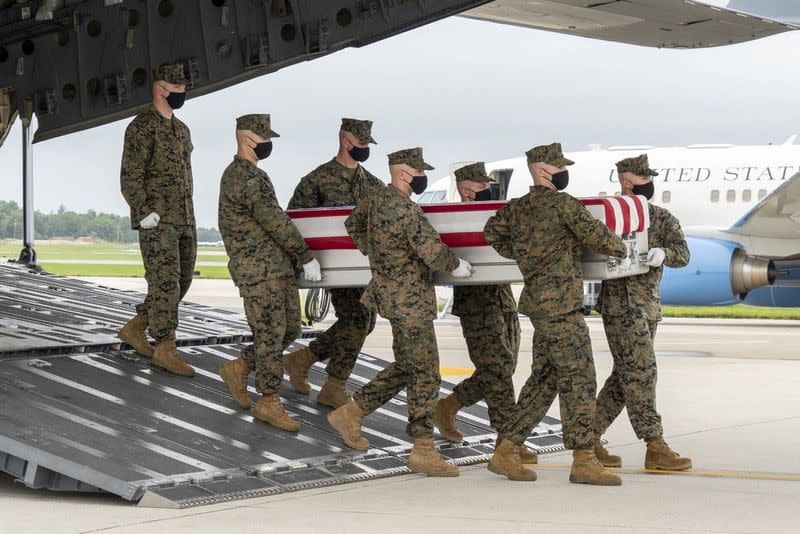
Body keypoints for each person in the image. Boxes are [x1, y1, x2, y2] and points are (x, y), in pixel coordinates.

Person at [485, 142, 628, 485]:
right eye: (560, 166)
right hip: (562, 308)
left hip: (538, 304)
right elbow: (610, 243)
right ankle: (583, 459)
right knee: (580, 379)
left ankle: (506, 450)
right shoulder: (565, 207)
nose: (565, 172)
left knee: (545, 380)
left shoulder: (516, 209)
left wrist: (524, 254)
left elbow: (492, 233)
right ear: (544, 170)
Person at [328, 147, 474, 477]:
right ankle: (423, 448)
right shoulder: (405, 210)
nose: (422, 177)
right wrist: (457, 266)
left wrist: (380, 257)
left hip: (389, 294)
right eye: (419, 172)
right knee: (425, 372)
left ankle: (352, 412)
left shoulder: (375, 200)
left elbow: (353, 225)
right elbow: (433, 253)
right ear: (403, 174)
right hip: (410, 300)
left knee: (410, 365)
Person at [216, 114, 322, 432]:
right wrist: (306, 256)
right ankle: (269, 402)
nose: (269, 145)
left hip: (275, 269)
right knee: (270, 335)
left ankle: (240, 366)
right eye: (265, 139)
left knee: (289, 329)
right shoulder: (244, 177)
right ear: (248, 140)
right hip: (259, 271)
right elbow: (276, 221)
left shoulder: (253, 175)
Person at [433, 162, 538, 463]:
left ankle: (449, 405)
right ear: (465, 189)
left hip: (502, 295)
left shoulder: (493, 212)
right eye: (478, 187)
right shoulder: (455, 220)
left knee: (505, 366)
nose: (484, 192)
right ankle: (507, 441)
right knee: (497, 368)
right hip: (477, 302)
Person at [593, 154, 692, 471]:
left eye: (650, 179)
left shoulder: (661, 217)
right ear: (625, 179)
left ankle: (588, 437)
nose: (648, 184)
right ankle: (654, 445)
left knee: (625, 378)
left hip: (647, 307)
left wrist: (664, 253)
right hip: (619, 307)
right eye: (641, 179)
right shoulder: (610, 216)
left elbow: (683, 253)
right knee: (642, 373)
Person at [284, 118, 383, 409]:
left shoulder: (373, 184)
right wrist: (306, 262)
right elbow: (295, 222)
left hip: (363, 268)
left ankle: (302, 360)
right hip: (333, 268)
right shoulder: (316, 180)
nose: (364, 149)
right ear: (345, 140)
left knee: (365, 322)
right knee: (357, 319)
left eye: (367, 144)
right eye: (360, 143)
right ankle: (334, 384)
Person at [119, 63, 196, 377]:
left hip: (184, 218)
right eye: (177, 91)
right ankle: (166, 347)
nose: (181, 95)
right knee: (164, 282)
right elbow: (130, 176)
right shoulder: (141, 127)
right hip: (157, 220)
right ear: (161, 89)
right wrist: (141, 212)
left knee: (183, 280)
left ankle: (136, 327)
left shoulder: (182, 130)